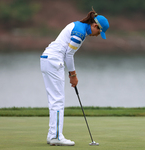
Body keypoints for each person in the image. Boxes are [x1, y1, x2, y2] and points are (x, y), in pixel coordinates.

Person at [40, 8, 109, 146]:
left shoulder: (78, 25)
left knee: (54, 100)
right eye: (99, 32)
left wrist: (71, 74)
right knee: (58, 100)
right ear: (95, 26)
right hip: (54, 61)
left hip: (47, 59)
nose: (97, 35)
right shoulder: (80, 32)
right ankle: (56, 137)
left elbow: (67, 53)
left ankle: (52, 135)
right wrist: (73, 75)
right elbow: (69, 55)